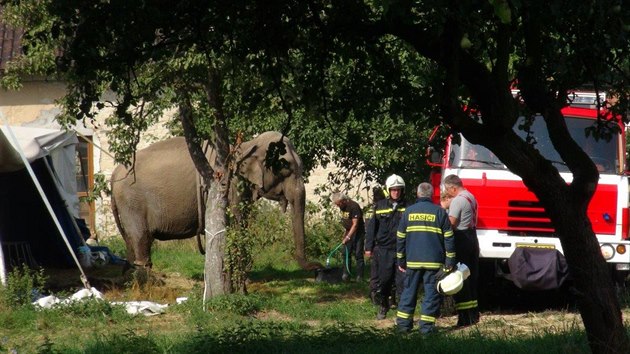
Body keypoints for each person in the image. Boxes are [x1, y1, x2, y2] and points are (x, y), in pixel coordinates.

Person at [395, 182, 455, 334]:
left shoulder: (408, 212)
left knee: (408, 293)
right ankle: (426, 329)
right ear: (431, 194)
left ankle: (403, 326)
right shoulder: (440, 212)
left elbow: (400, 238)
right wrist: (449, 263)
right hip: (434, 263)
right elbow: (449, 239)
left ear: (417, 194)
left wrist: (401, 260)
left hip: (412, 262)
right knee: (431, 295)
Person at [366, 174, 407, 320]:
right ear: (388, 190)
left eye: (398, 190)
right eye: (393, 190)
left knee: (402, 282)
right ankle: (384, 305)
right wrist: (368, 248)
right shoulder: (380, 206)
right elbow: (372, 228)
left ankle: (402, 314)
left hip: (402, 250)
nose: (396, 192)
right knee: (384, 281)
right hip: (384, 250)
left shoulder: (408, 207)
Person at [443, 174, 480, 327]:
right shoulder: (471, 196)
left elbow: (451, 224)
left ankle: (464, 317)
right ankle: (473, 314)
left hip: (461, 239)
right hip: (472, 237)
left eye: (447, 189)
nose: (447, 192)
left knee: (460, 277)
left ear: (453, 188)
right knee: (470, 277)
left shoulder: (458, 200)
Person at [332, 192, 365, 282]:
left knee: (358, 255)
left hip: (358, 233)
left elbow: (355, 225)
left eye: (338, 204)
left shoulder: (354, 206)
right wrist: (345, 234)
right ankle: (346, 275)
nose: (338, 206)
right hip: (348, 232)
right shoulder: (342, 207)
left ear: (343, 201)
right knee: (346, 254)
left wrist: (348, 237)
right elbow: (347, 221)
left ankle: (359, 277)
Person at [365, 186, 387, 304]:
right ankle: (379, 295)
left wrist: (368, 247)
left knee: (375, 271)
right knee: (381, 271)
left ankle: (374, 293)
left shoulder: (371, 210)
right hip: (379, 244)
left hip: (373, 244)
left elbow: (368, 229)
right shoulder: (380, 209)